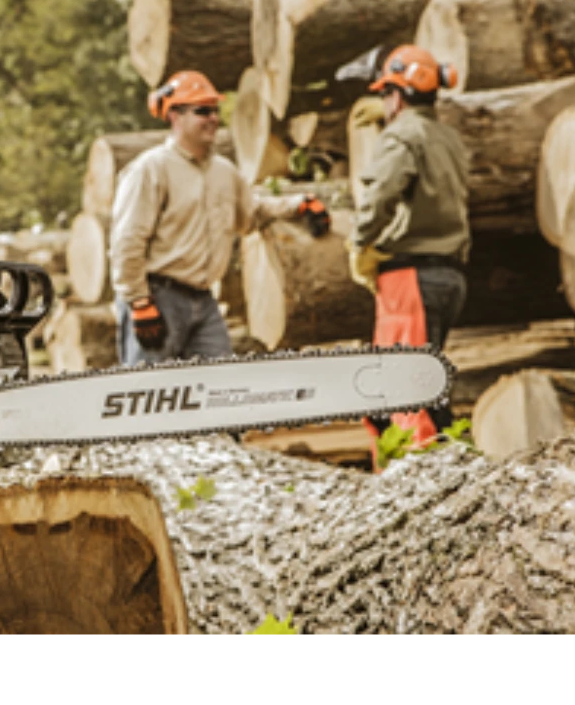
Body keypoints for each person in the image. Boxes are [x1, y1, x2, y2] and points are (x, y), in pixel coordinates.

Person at [109, 70, 331, 366]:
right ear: (175, 116)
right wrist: (139, 301)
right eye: (202, 111)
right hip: (159, 296)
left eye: (215, 111)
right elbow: (127, 240)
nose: (213, 118)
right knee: (149, 388)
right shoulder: (151, 169)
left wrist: (299, 204)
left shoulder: (223, 171)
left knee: (222, 383)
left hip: (203, 299)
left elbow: (251, 213)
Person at [346, 45, 470, 463]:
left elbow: (381, 194)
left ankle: (429, 476)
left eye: (386, 94)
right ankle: (410, 471)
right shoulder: (449, 139)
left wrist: (360, 242)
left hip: (411, 275)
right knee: (395, 393)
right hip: (449, 275)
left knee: (408, 394)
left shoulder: (401, 136)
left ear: (397, 95)